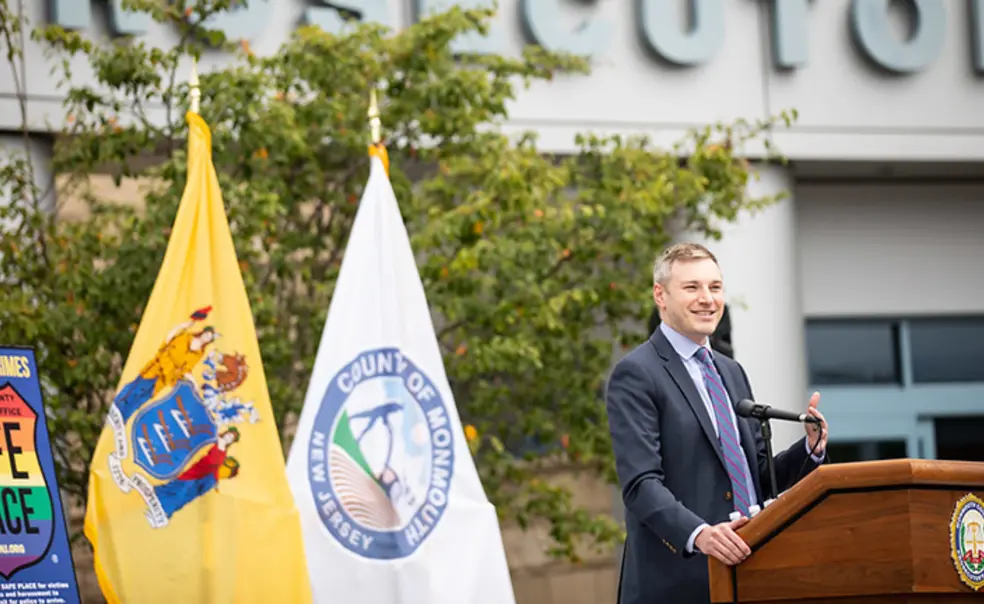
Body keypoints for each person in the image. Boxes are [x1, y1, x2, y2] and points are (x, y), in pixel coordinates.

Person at [605, 243, 829, 604]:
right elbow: (640, 484)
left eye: (715, 287)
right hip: (678, 585)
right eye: (692, 288)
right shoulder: (637, 374)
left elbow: (756, 476)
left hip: (749, 574)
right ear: (660, 295)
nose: (707, 299)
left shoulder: (731, 371)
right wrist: (700, 534)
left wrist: (808, 449)